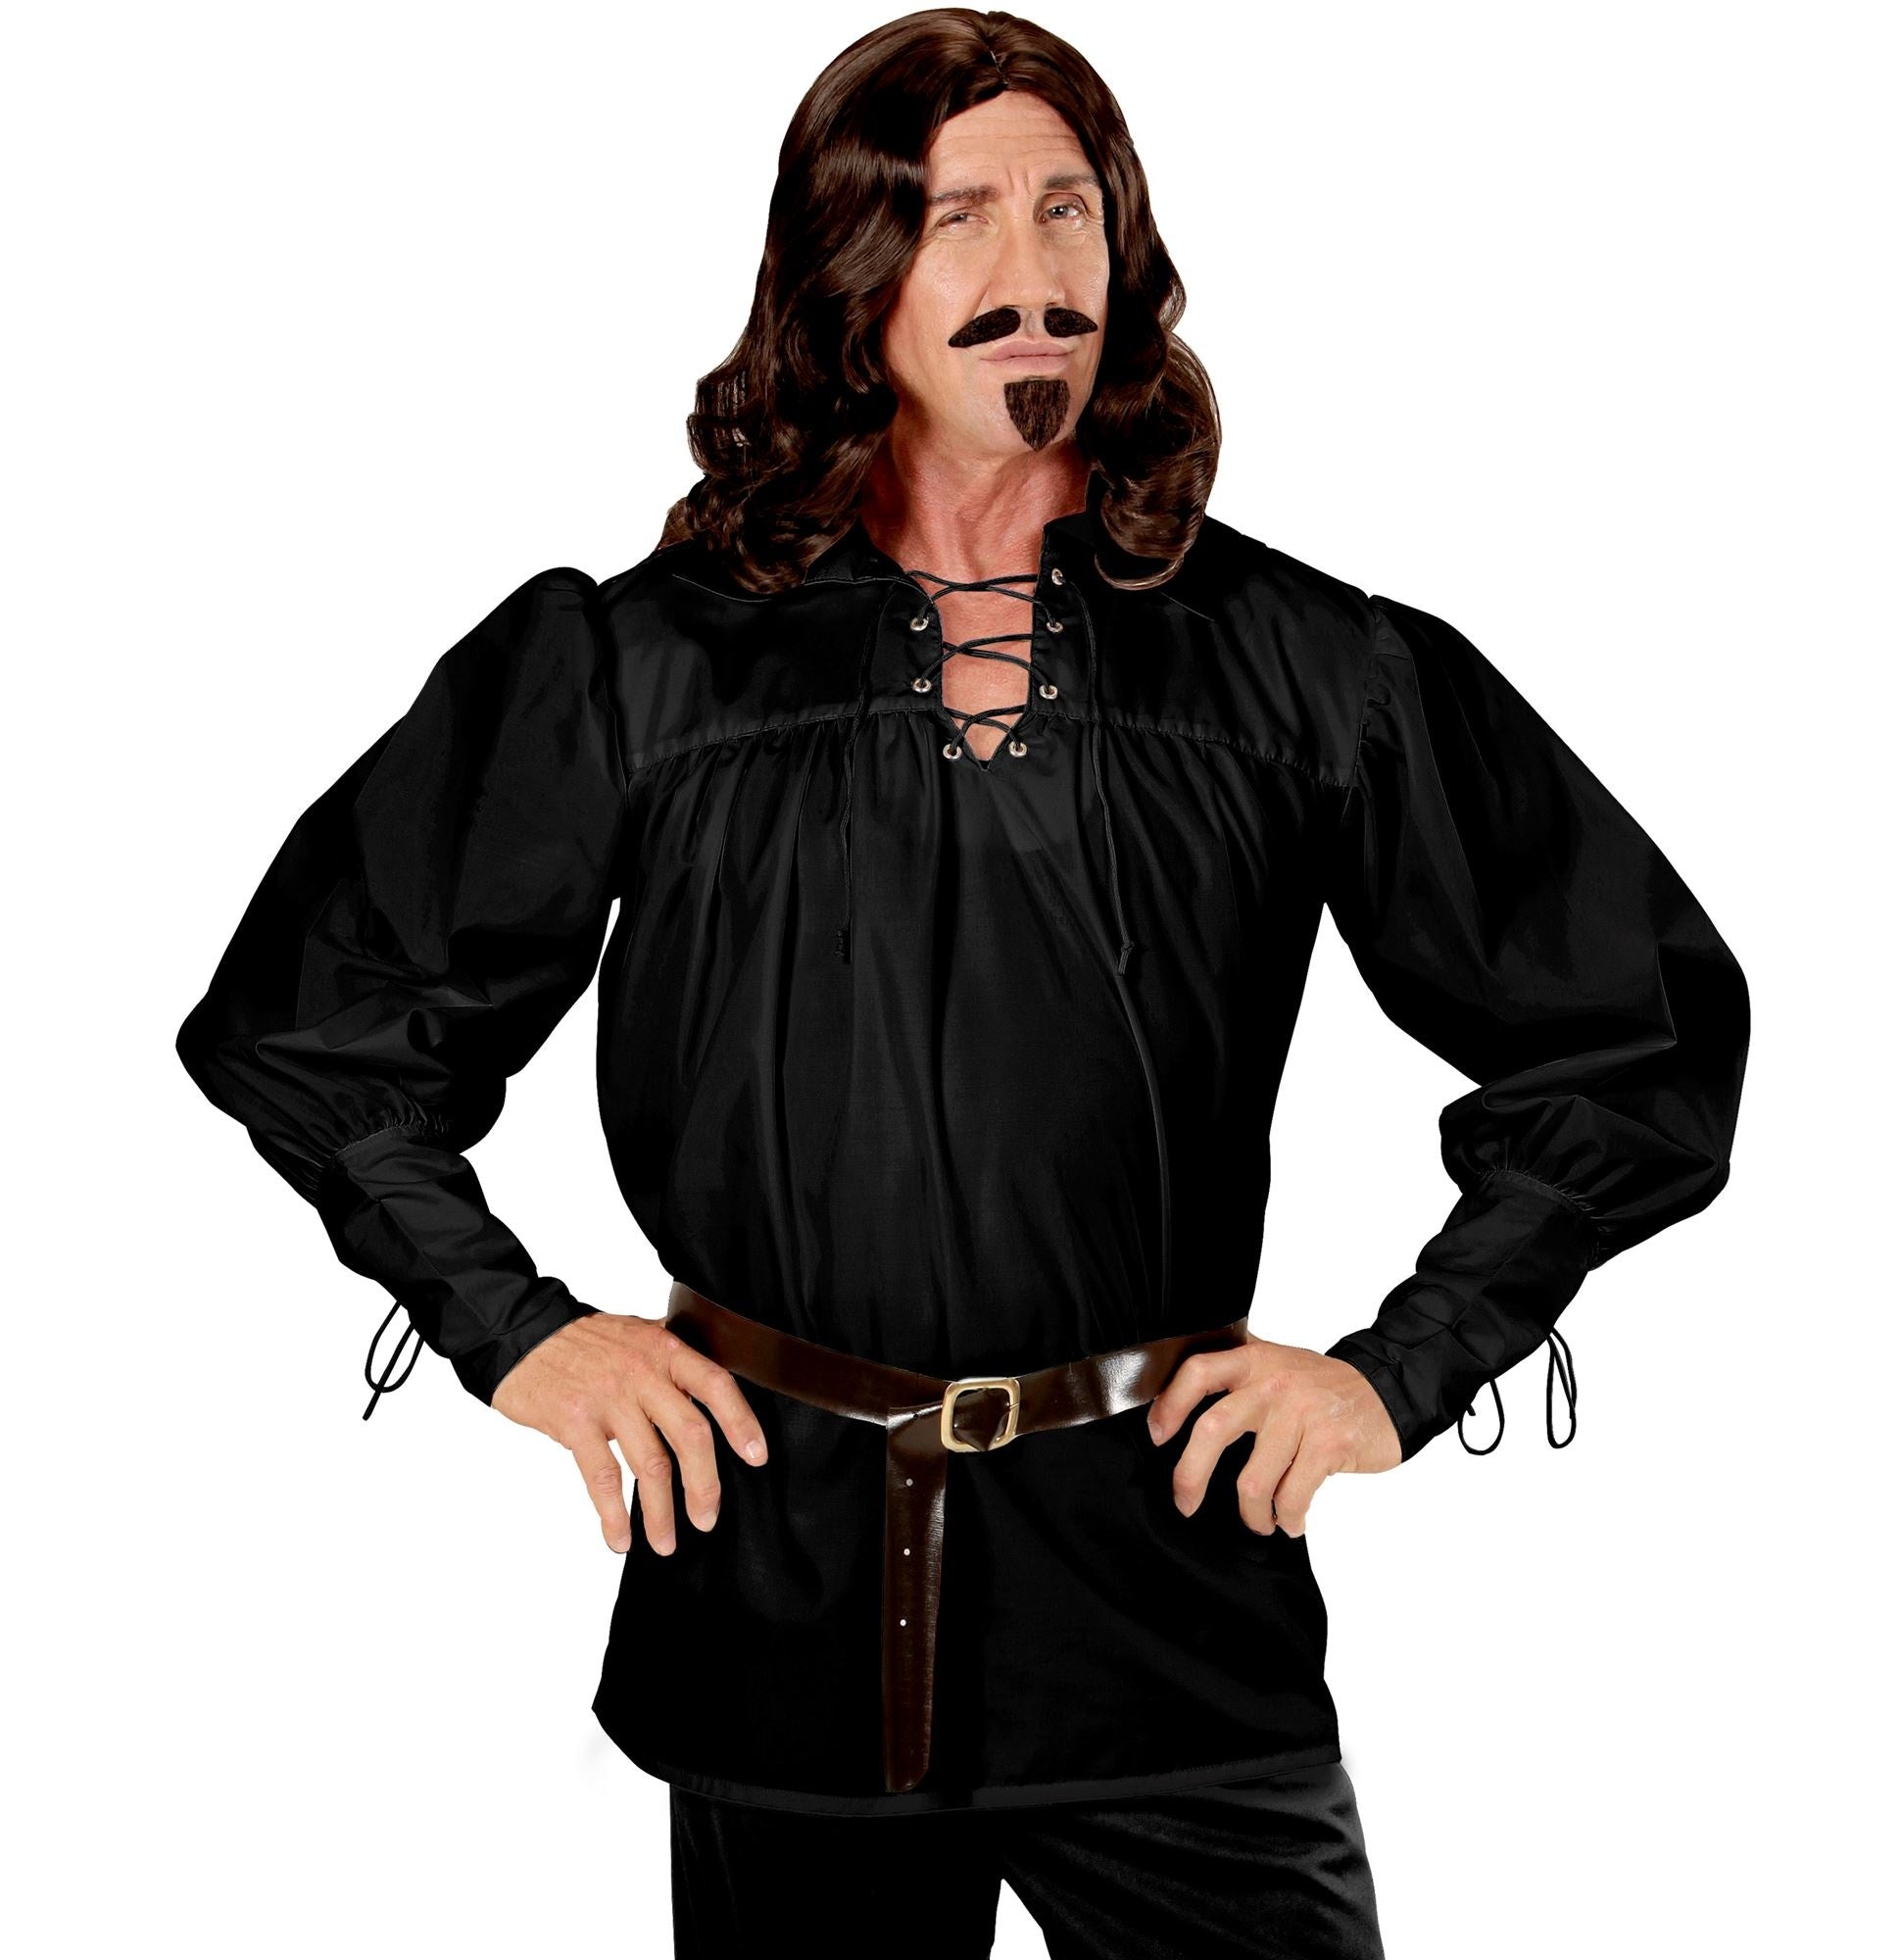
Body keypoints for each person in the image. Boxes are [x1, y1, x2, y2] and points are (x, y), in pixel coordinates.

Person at [174, 11, 1751, 1955]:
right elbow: (321, 1024)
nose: (1033, 270)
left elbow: (1627, 1027)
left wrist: (1396, 1374)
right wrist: (519, 1334)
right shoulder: (642, 666)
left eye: (1069, 210)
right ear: (849, 275)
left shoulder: (1304, 667)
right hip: (777, 1600)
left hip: (1166, 1613)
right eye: (960, 217)